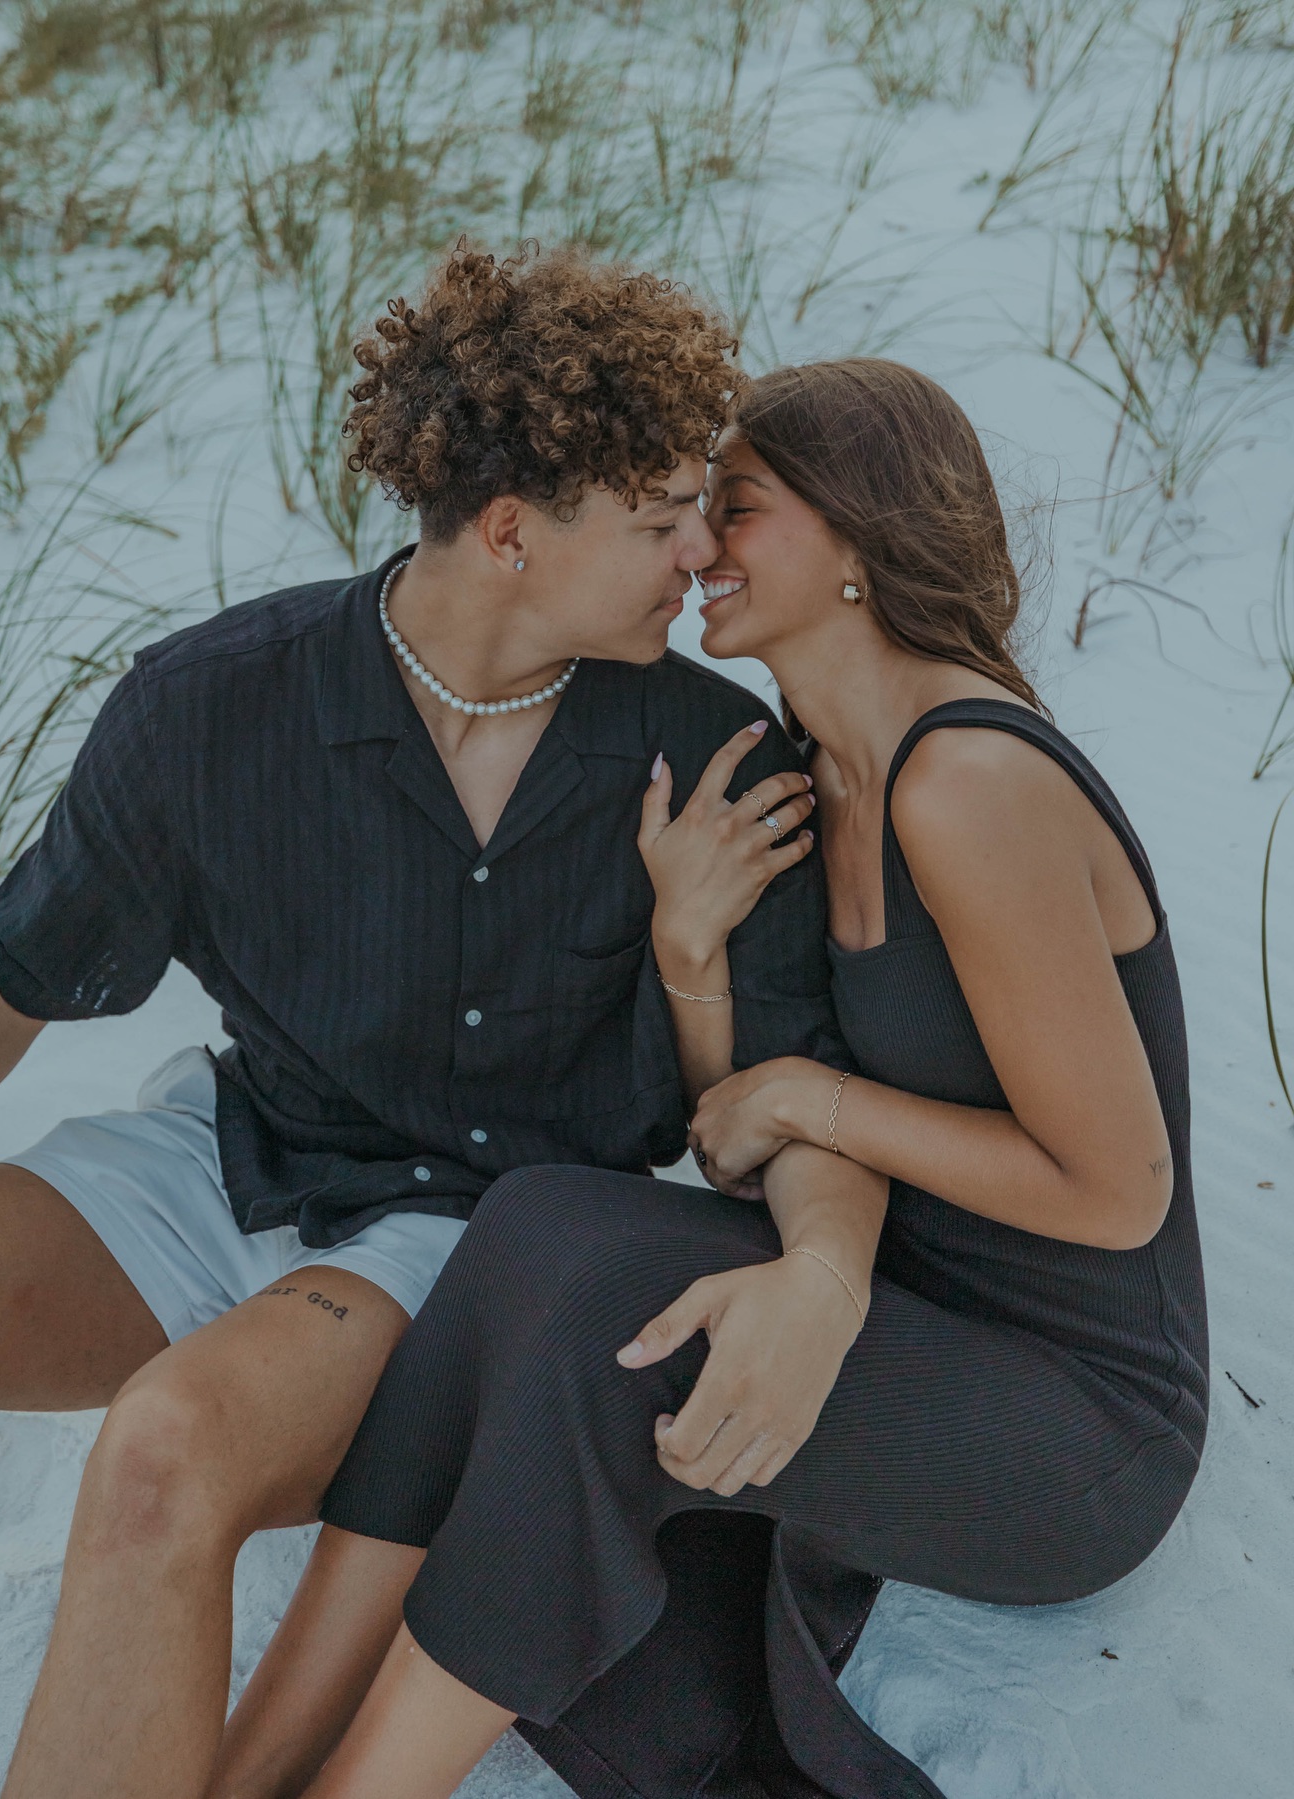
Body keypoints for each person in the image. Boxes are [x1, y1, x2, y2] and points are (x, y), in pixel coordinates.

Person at [0, 248, 843, 1799]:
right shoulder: (211, 707)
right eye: (658, 523)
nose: (697, 558)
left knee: (165, 1452)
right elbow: (7, 980)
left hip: (472, 1244)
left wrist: (692, 958)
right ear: (513, 531)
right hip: (232, 1154)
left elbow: (760, 1120)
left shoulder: (710, 756)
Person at [211, 359, 1209, 1799]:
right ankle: (253, 1766)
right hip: (921, 1310)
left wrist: (815, 1110)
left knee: (609, 1339)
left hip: (1078, 1430)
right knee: (540, 1226)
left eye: (735, 509)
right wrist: (692, 948)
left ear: (856, 540)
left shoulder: (967, 781)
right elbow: (741, 1134)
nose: (695, 551)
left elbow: (1119, 1194)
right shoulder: (818, 772)